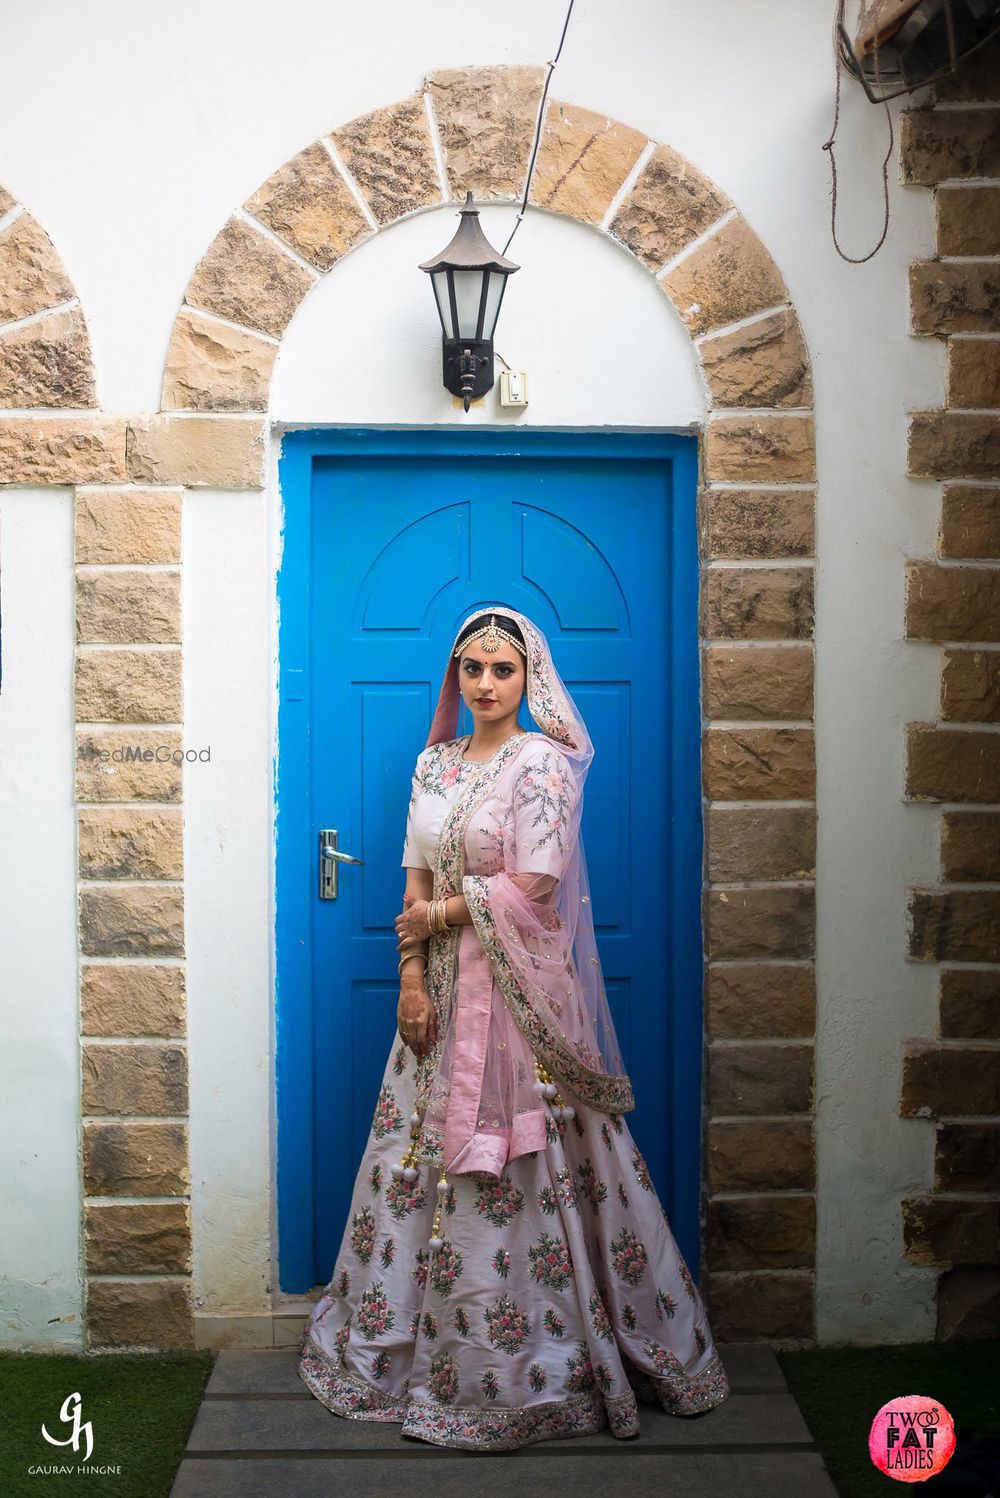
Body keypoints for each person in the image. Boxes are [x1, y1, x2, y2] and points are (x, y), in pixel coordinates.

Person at [298, 605, 731, 1450]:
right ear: (455, 676)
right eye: (472, 668)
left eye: (503, 670)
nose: (487, 684)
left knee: (538, 1156)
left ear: (530, 680)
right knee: (412, 1157)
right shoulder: (433, 764)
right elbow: (412, 882)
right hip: (439, 1007)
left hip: (520, 1005)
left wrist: (436, 922)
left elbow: (533, 886)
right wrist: (410, 981)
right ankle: (408, 1351)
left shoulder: (543, 765)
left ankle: (540, 1365)